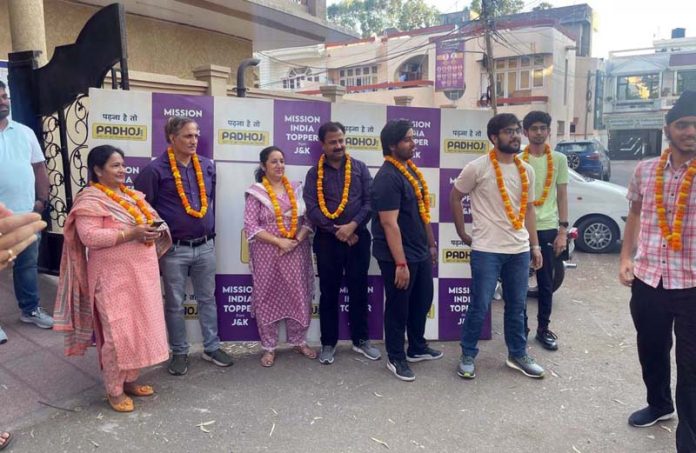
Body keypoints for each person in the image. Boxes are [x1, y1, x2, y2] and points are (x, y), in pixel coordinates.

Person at [53, 145, 172, 412]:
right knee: (117, 333)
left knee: (136, 328)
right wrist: (131, 234)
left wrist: (153, 230)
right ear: (97, 169)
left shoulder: (131, 196)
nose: (122, 170)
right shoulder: (90, 200)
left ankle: (130, 380)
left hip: (142, 274)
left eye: (123, 164)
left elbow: (151, 221)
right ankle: (114, 390)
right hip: (110, 277)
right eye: (115, 166)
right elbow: (90, 237)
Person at [619, 90, 696, 451]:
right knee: (651, 349)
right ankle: (659, 404)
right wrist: (625, 257)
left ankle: (689, 441)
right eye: (682, 125)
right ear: (668, 129)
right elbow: (634, 213)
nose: (690, 132)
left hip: (693, 283)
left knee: (692, 368)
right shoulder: (645, 170)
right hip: (649, 278)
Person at [135, 116, 233, 376]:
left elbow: (208, 199)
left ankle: (212, 347)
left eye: (196, 135)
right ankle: (179, 352)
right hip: (174, 250)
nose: (194, 141)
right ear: (172, 138)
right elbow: (143, 208)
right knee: (175, 303)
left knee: (208, 299)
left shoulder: (206, 166)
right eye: (188, 136)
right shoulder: (155, 170)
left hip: (205, 247)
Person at [450, 113, 544, 380]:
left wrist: (535, 246)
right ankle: (468, 354)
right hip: (487, 250)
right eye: (508, 131)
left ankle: (517, 353)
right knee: (479, 305)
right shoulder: (477, 168)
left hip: (519, 249)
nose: (515, 135)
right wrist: (461, 232)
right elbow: (455, 196)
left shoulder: (527, 170)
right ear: (494, 138)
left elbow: (528, 211)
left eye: (517, 131)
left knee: (517, 306)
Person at [303, 122, 380, 364]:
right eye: (333, 142)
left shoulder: (359, 168)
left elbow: (370, 203)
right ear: (323, 145)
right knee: (328, 293)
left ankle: (361, 340)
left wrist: (352, 227)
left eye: (341, 140)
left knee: (359, 290)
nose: (339, 146)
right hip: (327, 241)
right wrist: (338, 231)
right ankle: (328, 343)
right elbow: (312, 208)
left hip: (358, 238)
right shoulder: (314, 173)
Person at [371, 119, 442, 382]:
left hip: (419, 249)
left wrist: (431, 243)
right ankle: (395, 357)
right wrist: (400, 264)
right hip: (397, 255)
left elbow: (423, 211)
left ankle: (416, 347)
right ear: (392, 145)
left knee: (422, 299)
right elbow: (389, 224)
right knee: (399, 306)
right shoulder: (387, 178)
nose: (414, 143)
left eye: (414, 138)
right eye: (408, 139)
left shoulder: (409, 170)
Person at [244, 146, 316, 367]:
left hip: (295, 252)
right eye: (274, 161)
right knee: (267, 295)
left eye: (282, 161)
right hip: (267, 253)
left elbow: (309, 220)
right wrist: (279, 241)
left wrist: (296, 240)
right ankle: (268, 347)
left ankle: (299, 340)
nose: (279, 165)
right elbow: (251, 226)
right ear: (263, 166)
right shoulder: (256, 192)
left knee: (298, 293)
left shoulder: (296, 189)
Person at [0, 79, 53, 333]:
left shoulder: (24, 132)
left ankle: (30, 310)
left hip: (26, 215)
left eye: (4, 96)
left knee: (27, 265)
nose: (3, 101)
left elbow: (39, 168)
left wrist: (40, 202)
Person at [521, 111, 569, 350]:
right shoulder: (518, 159)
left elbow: (562, 194)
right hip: (521, 229)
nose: (539, 132)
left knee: (546, 283)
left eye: (543, 128)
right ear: (525, 132)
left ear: (549, 131)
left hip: (549, 227)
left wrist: (563, 230)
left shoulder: (559, 159)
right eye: (534, 128)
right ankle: (521, 328)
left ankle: (543, 329)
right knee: (519, 282)